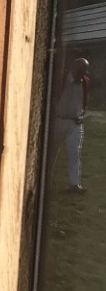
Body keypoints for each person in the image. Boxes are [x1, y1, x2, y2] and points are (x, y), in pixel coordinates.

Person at [53, 56, 90, 192]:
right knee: (52, 152)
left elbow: (83, 100)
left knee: (75, 153)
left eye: (84, 71)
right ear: (73, 67)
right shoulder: (61, 79)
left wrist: (81, 114)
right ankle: (46, 182)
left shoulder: (85, 82)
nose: (82, 73)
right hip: (58, 120)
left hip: (75, 123)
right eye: (80, 70)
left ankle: (74, 184)